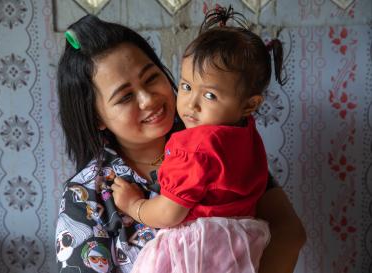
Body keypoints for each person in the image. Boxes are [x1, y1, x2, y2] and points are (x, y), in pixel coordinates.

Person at [55, 13, 306, 273]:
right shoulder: (86, 194)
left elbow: (289, 233)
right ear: (97, 118)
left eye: (151, 78)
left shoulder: (217, 142)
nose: (148, 100)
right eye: (125, 96)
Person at [110, 6, 283, 273]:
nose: (191, 104)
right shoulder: (246, 135)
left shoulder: (195, 147)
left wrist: (135, 205)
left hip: (196, 253)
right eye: (186, 86)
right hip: (241, 251)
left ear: (250, 105)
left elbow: (169, 214)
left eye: (210, 96)